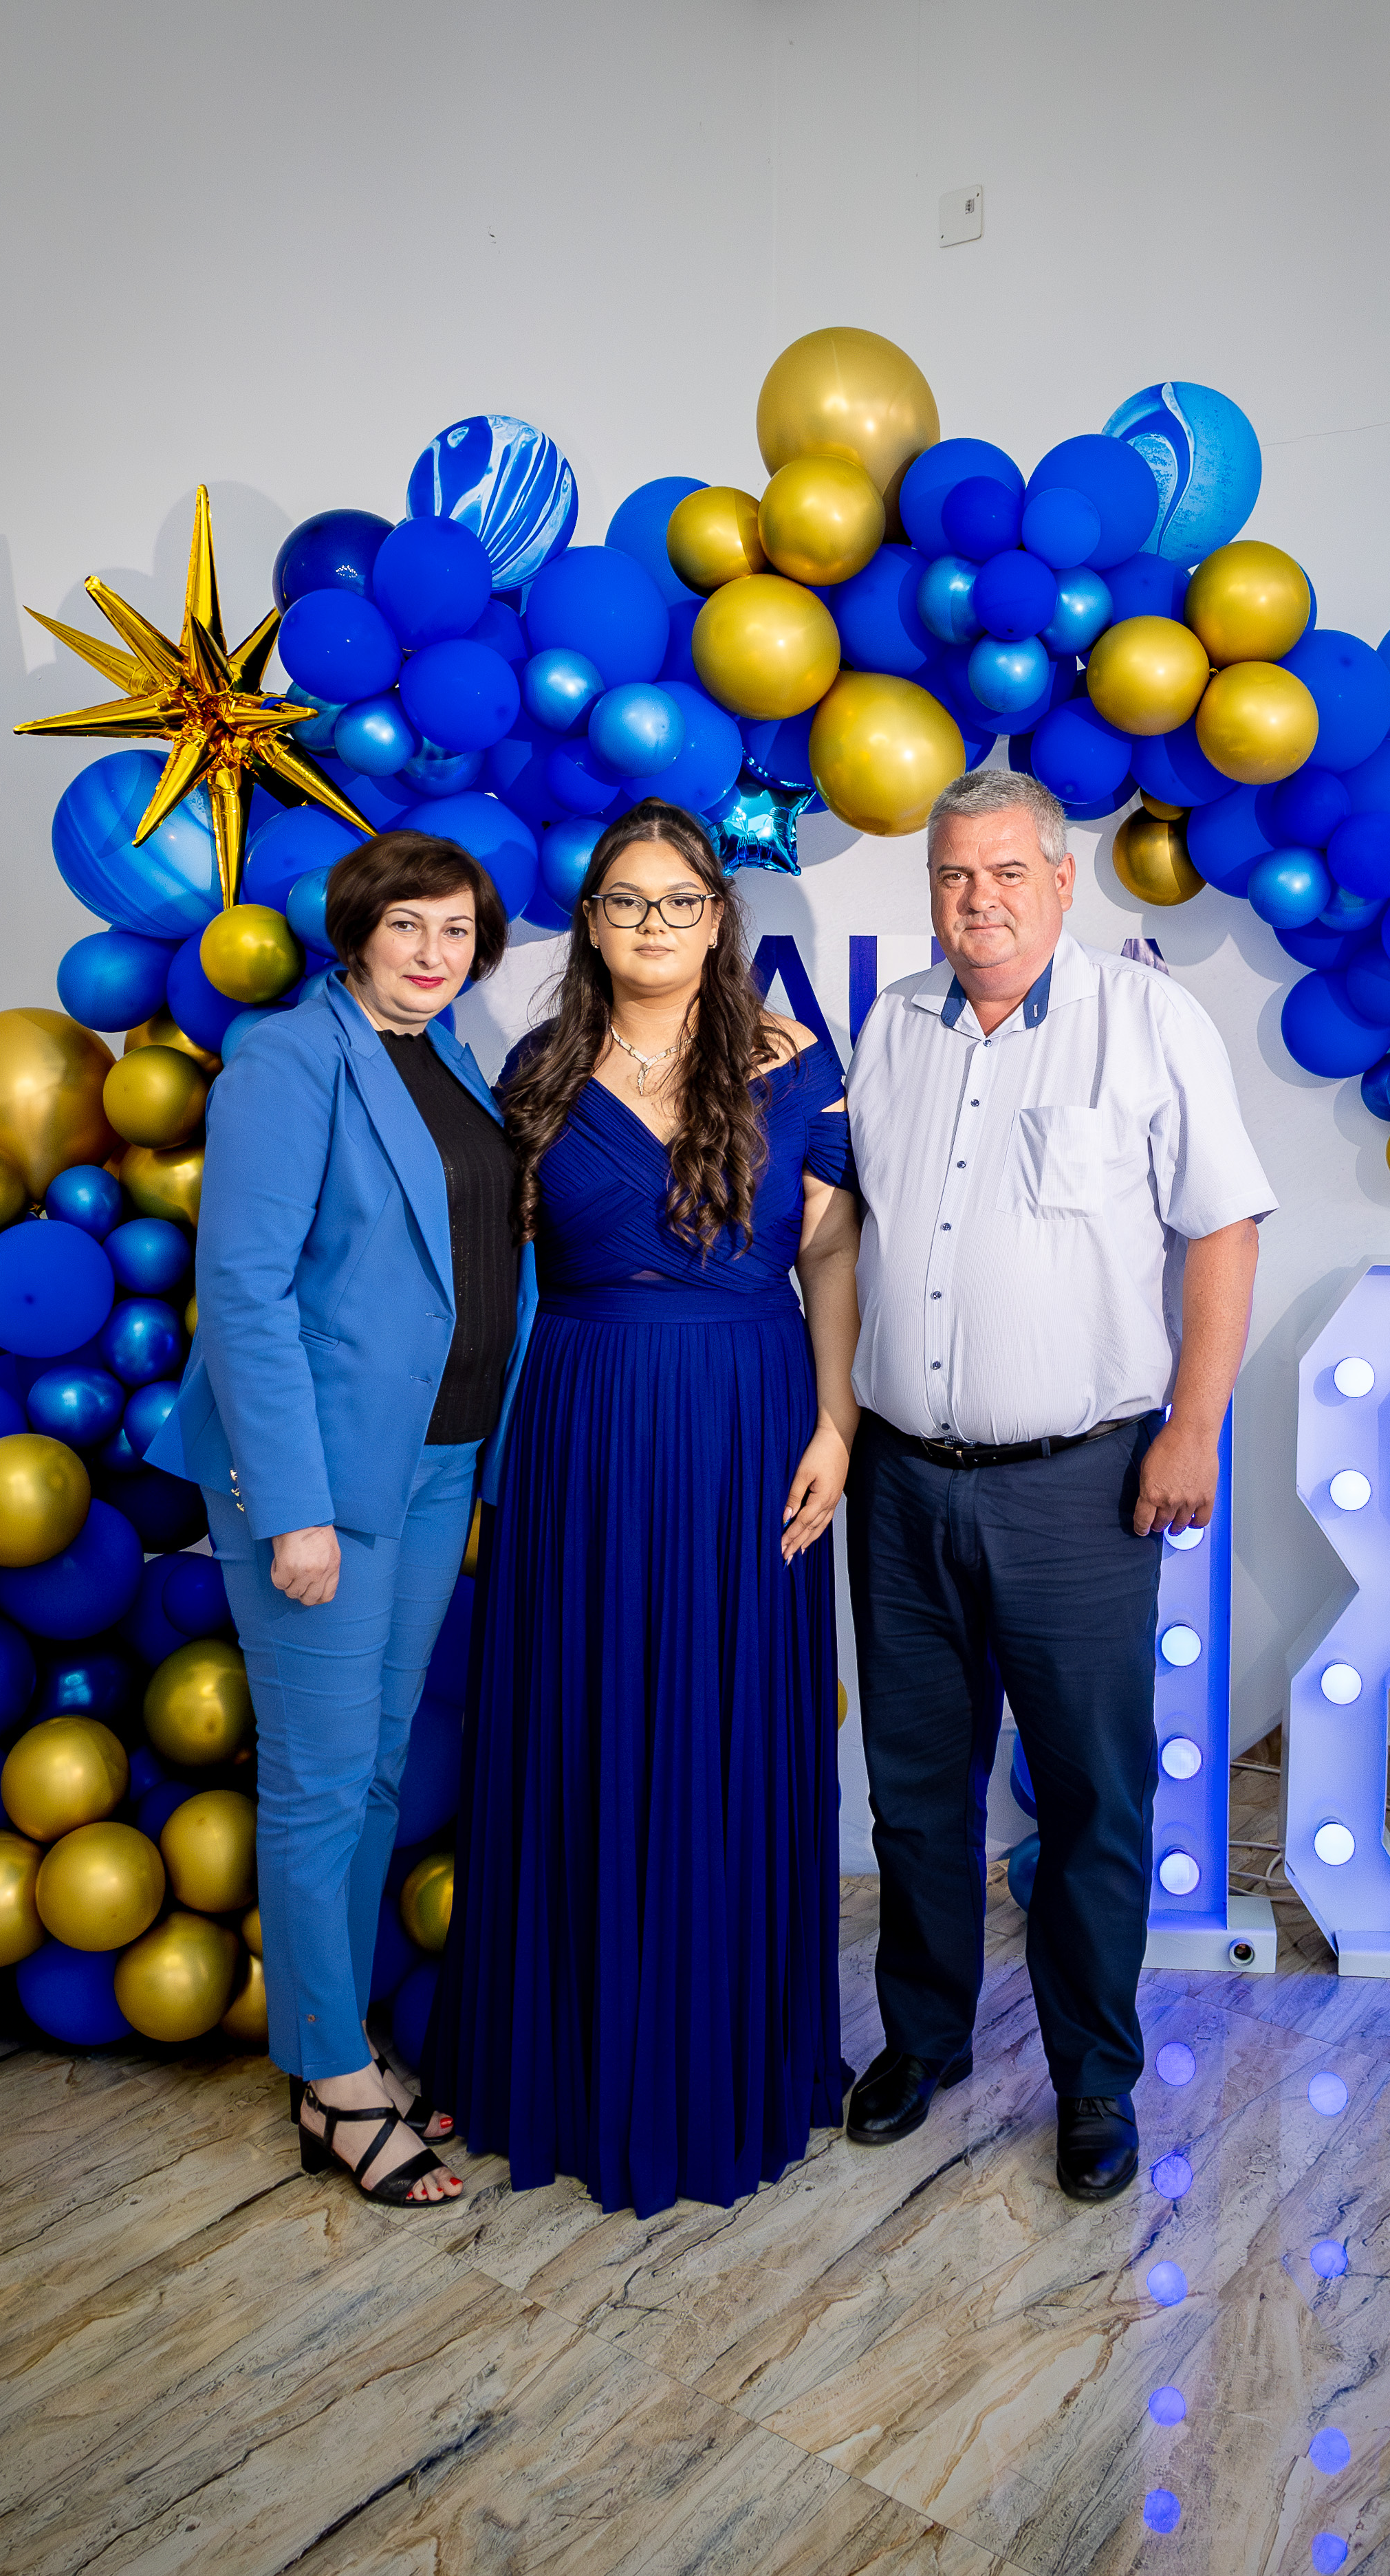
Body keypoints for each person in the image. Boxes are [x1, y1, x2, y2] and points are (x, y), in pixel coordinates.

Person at [840, 768, 1275, 2202]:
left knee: (1091, 1793)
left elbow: (1222, 1227)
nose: (978, 900)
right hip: (900, 1480)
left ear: (1061, 880)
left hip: (1078, 1488)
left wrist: (1194, 1424)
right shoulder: (891, 1027)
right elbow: (849, 1233)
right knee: (914, 1788)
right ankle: (923, 2039)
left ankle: (1094, 2079)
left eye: (1006, 872)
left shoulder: (1145, 1021)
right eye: (954, 875)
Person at [430, 796, 857, 2218]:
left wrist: (837, 1420)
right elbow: (489, 1260)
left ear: (717, 919)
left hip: (748, 1414)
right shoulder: (540, 1069)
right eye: (625, 900)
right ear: (591, 920)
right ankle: (568, 2061)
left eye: (679, 900)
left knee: (726, 1720)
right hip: (583, 1421)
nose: (652, 923)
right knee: (583, 1717)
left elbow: (830, 1252)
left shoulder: (791, 1060)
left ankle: (720, 2062)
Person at [149, 831, 534, 2209]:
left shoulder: (451, 1059)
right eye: (408, 926)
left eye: (457, 931)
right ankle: (329, 2079)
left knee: (371, 1769)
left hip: (434, 1463)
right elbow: (244, 1295)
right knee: (319, 1780)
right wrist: (293, 1510)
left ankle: (341, 2039)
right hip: (324, 1481)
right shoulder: (286, 1058)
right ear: (357, 930)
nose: (433, 953)